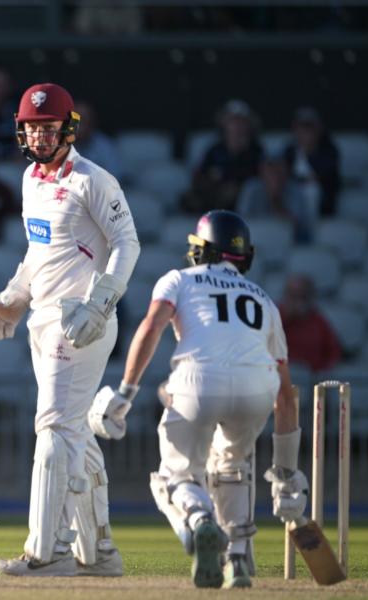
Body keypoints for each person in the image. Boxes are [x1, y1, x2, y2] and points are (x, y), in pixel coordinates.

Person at [89, 210, 307, 588]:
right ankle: (237, 559)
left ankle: (199, 518)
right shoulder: (265, 302)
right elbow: (286, 398)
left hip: (198, 381)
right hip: (259, 387)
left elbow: (152, 326)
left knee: (174, 476)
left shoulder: (179, 279)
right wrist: (287, 475)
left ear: (201, 250)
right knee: (232, 467)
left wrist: (126, 391)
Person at [0, 83, 140, 577]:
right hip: (42, 319)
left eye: (48, 128)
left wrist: (100, 303)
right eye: (32, 128)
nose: (40, 137)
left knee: (52, 428)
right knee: (73, 433)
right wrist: (13, 296)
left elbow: (127, 244)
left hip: (81, 322)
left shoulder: (94, 179)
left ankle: (48, 552)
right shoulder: (30, 178)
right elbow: (38, 252)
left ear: (68, 128)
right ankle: (99, 554)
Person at [181, 100, 263, 214]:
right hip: (214, 197)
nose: (237, 126)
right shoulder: (215, 150)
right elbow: (201, 175)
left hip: (243, 201)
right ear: (224, 123)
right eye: (232, 121)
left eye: (241, 121)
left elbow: (258, 179)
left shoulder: (256, 151)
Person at [237, 158, 314, 243]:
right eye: (270, 168)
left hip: (288, 245)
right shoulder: (251, 188)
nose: (275, 173)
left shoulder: (295, 189)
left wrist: (276, 201)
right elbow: (242, 222)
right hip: (257, 243)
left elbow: (299, 227)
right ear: (261, 170)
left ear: (286, 170)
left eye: (278, 169)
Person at [282, 107, 341, 217]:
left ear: (319, 129)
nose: (306, 132)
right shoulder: (289, 150)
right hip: (292, 198)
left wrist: (309, 151)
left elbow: (324, 175)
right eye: (302, 127)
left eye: (310, 128)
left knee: (312, 190)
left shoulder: (330, 150)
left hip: (322, 203)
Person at [277, 274, 342, 373]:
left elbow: (333, 352)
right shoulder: (275, 317)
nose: (296, 302)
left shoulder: (318, 321)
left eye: (301, 296)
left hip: (312, 380)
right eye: (292, 296)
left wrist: (321, 372)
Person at [71, 101, 122, 180]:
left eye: (83, 121)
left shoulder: (104, 145)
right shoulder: (57, 142)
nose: (78, 125)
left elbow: (115, 176)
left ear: (91, 123)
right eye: (74, 120)